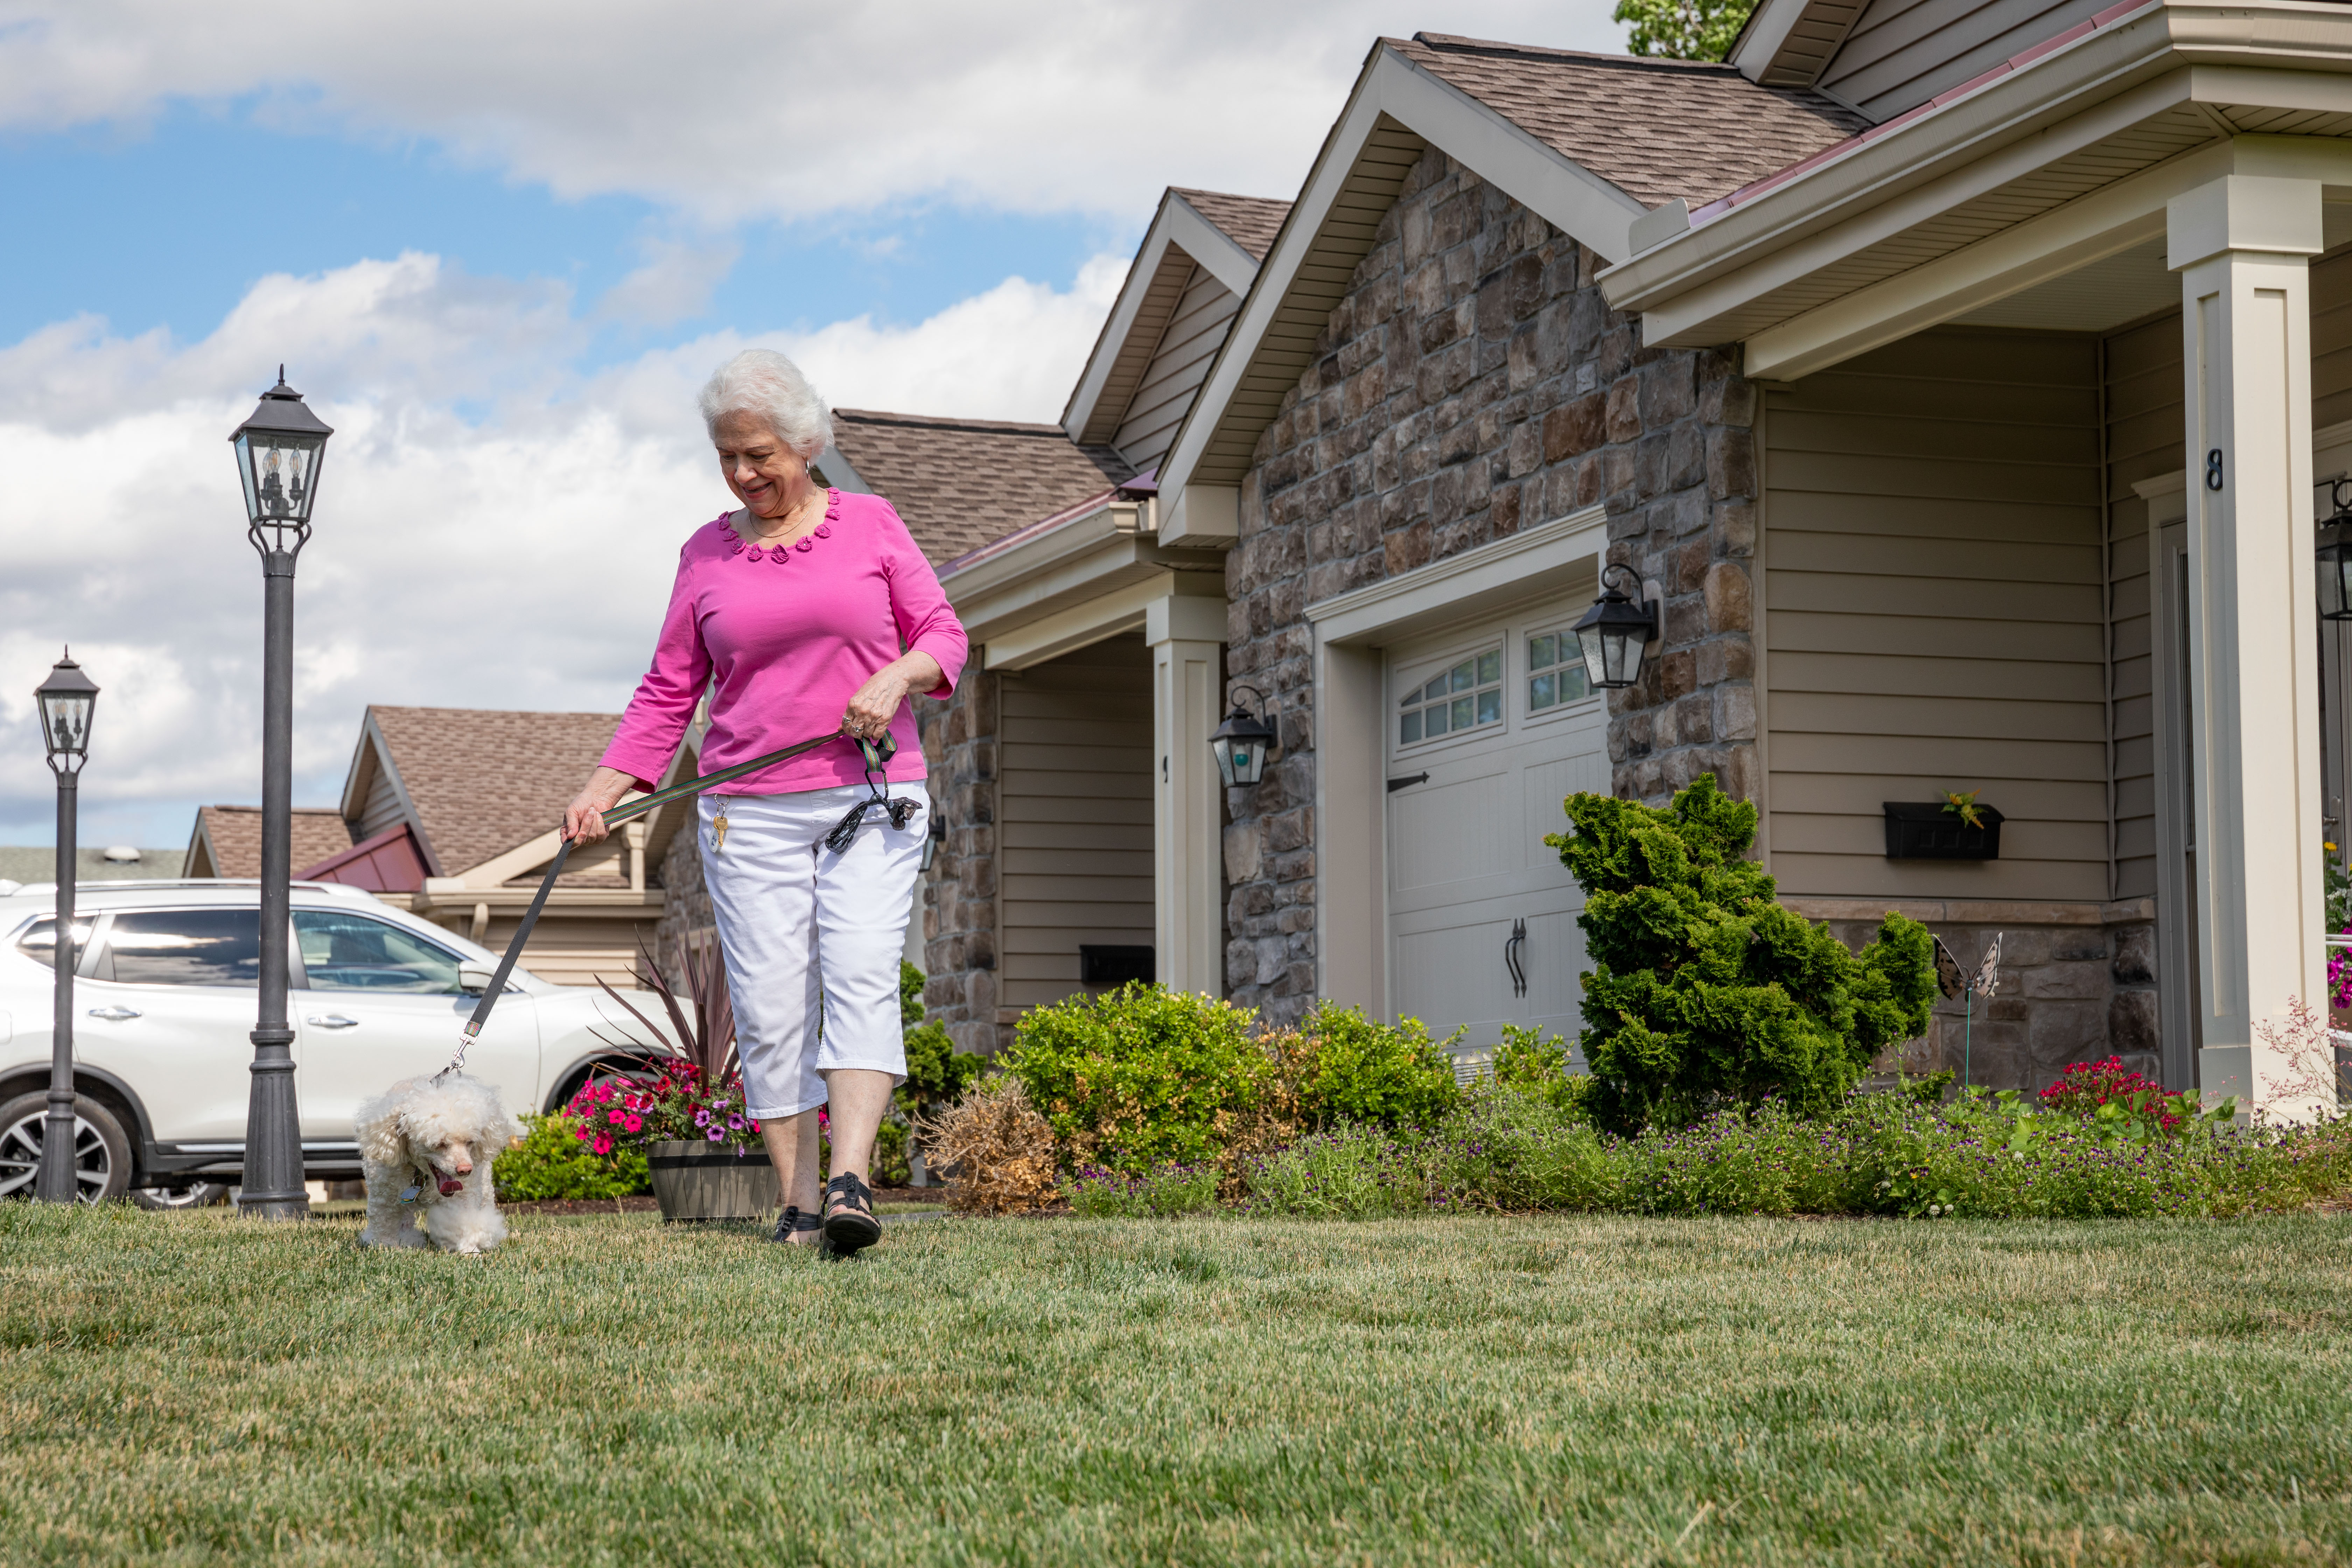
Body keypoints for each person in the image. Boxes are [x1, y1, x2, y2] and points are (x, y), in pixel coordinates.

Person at [565, 348, 965, 1255]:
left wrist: (898, 677)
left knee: (862, 970)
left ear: (806, 443)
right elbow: (670, 689)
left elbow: (944, 634)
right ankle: (795, 1197)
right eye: (728, 458)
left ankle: (853, 1183)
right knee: (772, 1003)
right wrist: (600, 791)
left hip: (869, 790)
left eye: (761, 455)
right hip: (746, 805)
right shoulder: (706, 553)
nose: (746, 474)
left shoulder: (871, 526)